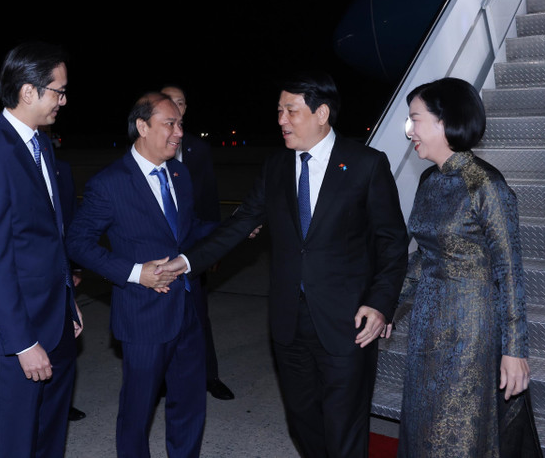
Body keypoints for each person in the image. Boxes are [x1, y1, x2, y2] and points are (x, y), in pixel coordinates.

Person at [157, 71, 408, 457]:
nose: (281, 120)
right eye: (278, 111)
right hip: (289, 322)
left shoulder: (365, 164)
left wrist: (380, 303)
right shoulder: (275, 166)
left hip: (348, 321)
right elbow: (241, 223)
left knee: (345, 424)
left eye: (290, 111)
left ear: (321, 113)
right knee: (302, 419)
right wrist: (187, 261)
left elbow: (392, 244)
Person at [391, 77, 542, 456]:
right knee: (422, 424)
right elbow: (424, 257)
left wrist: (514, 350)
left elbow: (510, 271)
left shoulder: (485, 185)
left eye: (416, 119)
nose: (410, 131)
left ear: (444, 122)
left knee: (456, 432)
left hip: (469, 330)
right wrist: (389, 305)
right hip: (427, 325)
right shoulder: (429, 180)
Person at [65, 92, 216, 458]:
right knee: (137, 411)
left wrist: (229, 231)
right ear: (142, 126)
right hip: (143, 317)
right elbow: (78, 243)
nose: (179, 132)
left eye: (181, 124)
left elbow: (187, 229)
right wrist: (136, 273)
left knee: (190, 404)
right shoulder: (110, 183)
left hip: (188, 310)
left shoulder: (179, 174)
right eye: (170, 124)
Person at [0, 41, 83, 458]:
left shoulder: (41, 145)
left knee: (50, 441)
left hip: (58, 324)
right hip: (20, 337)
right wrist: (23, 343)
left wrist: (70, 301)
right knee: (16, 445)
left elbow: (52, 235)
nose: (63, 101)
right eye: (59, 91)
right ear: (28, 91)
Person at [160, 84, 234, 401]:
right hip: (158, 250)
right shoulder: (145, 143)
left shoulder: (196, 150)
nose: (175, 107)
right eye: (168, 102)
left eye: (180, 102)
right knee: (161, 316)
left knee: (198, 314)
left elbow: (208, 199)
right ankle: (162, 377)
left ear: (186, 108)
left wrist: (213, 245)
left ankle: (209, 376)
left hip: (193, 245)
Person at [54, 157, 86, 422]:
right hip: (27, 273)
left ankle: (60, 402)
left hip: (62, 268)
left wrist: (75, 266)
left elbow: (70, 217)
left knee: (64, 341)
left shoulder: (60, 165)